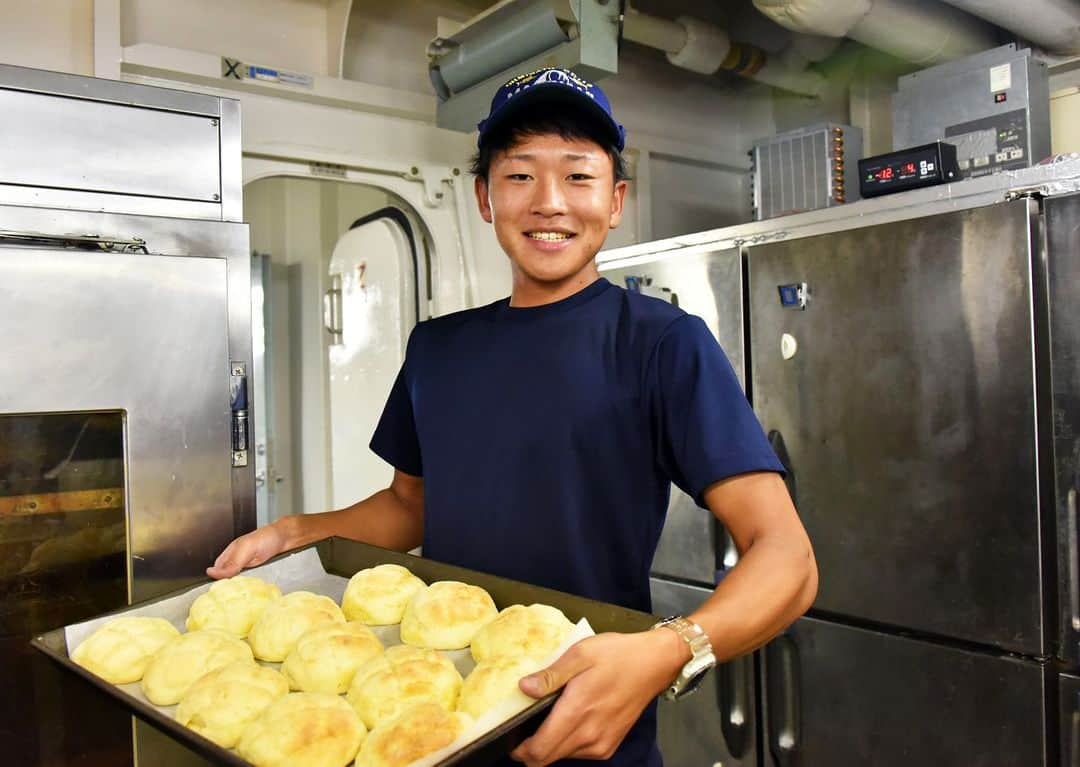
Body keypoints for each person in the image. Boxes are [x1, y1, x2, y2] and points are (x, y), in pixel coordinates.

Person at [209, 67, 818, 767]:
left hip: (587, 736)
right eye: (520, 176)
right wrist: (296, 531)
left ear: (616, 200)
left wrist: (670, 648)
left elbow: (788, 558)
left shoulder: (659, 344)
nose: (550, 202)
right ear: (484, 198)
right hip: (439, 725)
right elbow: (411, 506)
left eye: (579, 176)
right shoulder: (438, 348)